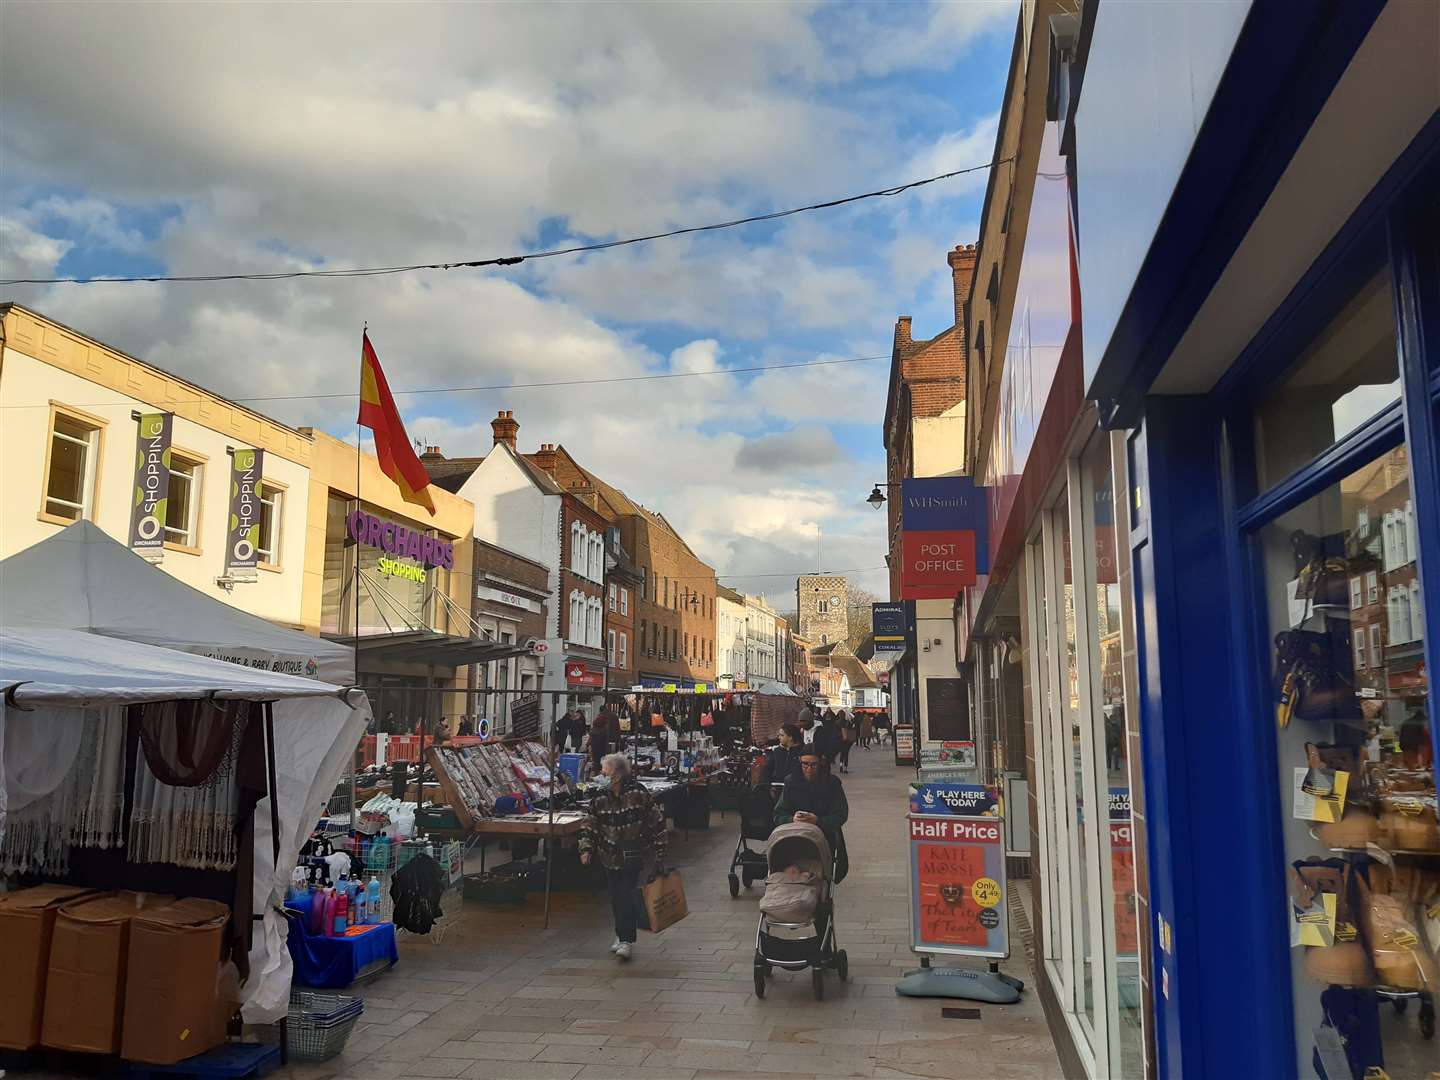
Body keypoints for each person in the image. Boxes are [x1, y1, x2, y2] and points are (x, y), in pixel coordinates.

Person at [578, 753, 666, 961]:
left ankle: (626, 939)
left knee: (626, 894)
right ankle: (621, 934)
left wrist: (660, 852)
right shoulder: (600, 797)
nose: (602, 776)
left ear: (617, 775)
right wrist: (585, 848)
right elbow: (589, 822)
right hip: (608, 855)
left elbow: (657, 821)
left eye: (605, 772)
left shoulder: (638, 793)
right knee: (616, 896)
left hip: (632, 854)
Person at [772, 749, 849, 883]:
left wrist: (818, 821)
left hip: (824, 836)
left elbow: (841, 814)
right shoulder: (791, 782)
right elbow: (778, 813)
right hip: (794, 836)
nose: (809, 768)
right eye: (805, 764)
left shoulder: (832, 784)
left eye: (813, 765)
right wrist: (791, 819)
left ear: (820, 764)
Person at [586, 711, 622, 776]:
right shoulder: (602, 733)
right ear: (603, 724)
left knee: (596, 768)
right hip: (600, 759)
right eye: (606, 723)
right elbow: (602, 749)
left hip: (596, 759)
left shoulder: (594, 731)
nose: (607, 725)